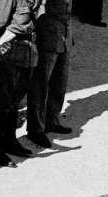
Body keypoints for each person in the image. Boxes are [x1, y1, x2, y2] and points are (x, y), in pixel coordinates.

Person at [0, 0, 43, 167]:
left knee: (15, 101)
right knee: (4, 102)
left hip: (28, 53)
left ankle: (10, 140)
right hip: (9, 53)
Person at [27, 0, 72, 140]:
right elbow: (31, 8)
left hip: (65, 37)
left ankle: (51, 120)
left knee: (60, 83)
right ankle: (36, 129)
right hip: (48, 36)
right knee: (40, 85)